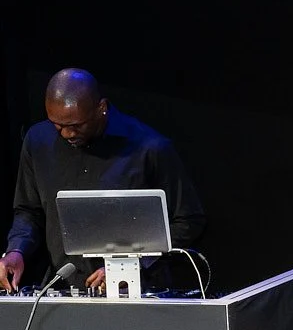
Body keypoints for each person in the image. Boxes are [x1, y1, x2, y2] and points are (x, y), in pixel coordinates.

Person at [3, 68, 205, 293]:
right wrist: (15, 251)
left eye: (76, 125)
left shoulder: (150, 148)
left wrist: (130, 266)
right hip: (64, 292)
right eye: (57, 125)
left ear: (101, 108)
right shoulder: (37, 141)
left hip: (139, 292)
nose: (66, 134)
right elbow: (29, 211)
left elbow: (188, 219)